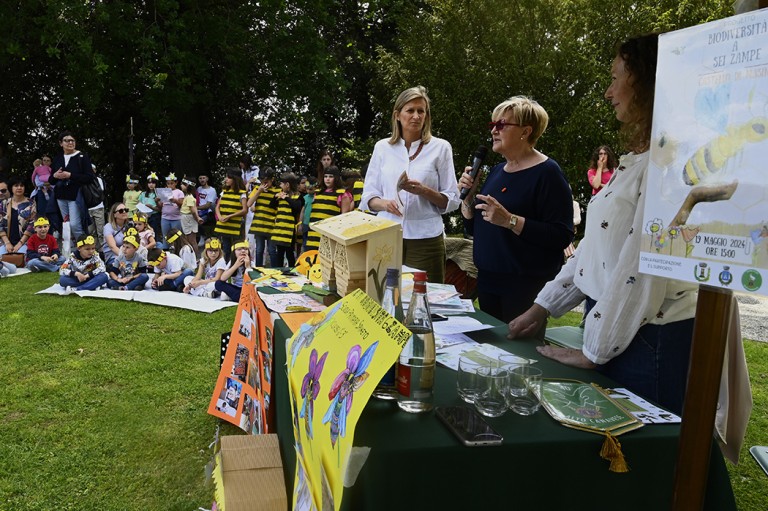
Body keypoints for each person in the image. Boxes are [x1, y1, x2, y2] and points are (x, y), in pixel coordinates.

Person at [508, 34, 698, 415]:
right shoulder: (639, 160)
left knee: (640, 455)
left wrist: (595, 350)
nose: (609, 92)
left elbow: (641, 270)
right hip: (621, 326)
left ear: (647, 83)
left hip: (648, 335)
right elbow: (597, 248)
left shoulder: (669, 166)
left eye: (615, 78)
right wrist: (543, 306)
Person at [459, 96, 573, 324]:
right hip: (489, 280)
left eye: (501, 125)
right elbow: (475, 226)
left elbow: (561, 235)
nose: (493, 131)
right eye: (493, 125)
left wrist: (510, 220)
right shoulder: (498, 170)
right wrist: (467, 199)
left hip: (523, 285)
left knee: (520, 356)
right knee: (491, 353)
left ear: (525, 131)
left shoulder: (548, 173)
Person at [359, 85, 460, 283]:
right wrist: (385, 204)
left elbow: (452, 200)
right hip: (386, 234)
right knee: (384, 293)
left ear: (427, 116)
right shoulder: (382, 148)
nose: (416, 116)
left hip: (426, 238)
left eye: (421, 111)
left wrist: (424, 191)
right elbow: (368, 197)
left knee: (424, 295)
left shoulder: (440, 148)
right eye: (410, 110)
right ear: (397, 115)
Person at [50, 131, 95, 241]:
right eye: (66, 140)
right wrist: (55, 175)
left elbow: (89, 177)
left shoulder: (82, 157)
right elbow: (51, 180)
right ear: (61, 143)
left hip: (76, 196)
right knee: (66, 225)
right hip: (60, 196)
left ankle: (83, 248)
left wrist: (70, 175)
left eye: (72, 140)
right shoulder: (57, 158)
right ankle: (69, 250)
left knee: (75, 225)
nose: (70, 143)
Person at [305, 166, 352, 251]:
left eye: (331, 177)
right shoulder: (317, 193)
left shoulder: (342, 194)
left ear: (336, 178)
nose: (327, 179)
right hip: (313, 234)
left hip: (329, 235)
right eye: (325, 176)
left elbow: (344, 217)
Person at [247, 167, 280, 266]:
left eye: (267, 182)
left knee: (272, 250)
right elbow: (248, 204)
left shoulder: (278, 190)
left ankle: (274, 270)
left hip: (271, 225)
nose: (264, 184)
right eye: (262, 182)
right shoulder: (257, 189)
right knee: (259, 250)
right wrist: (259, 192)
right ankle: (258, 269)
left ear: (272, 180)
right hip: (259, 224)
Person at [214, 168, 247, 260]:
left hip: (235, 225)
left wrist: (230, 216)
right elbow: (217, 207)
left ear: (235, 179)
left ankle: (236, 265)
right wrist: (220, 217)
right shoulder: (224, 191)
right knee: (226, 247)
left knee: (237, 246)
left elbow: (244, 210)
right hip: (224, 224)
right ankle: (225, 266)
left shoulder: (242, 194)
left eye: (229, 178)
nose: (226, 180)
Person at [270, 172, 302, 267]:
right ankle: (279, 271)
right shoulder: (280, 195)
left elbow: (297, 207)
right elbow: (271, 206)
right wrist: (275, 197)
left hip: (289, 231)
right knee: (279, 253)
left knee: (289, 253)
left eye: (281, 183)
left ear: (287, 185)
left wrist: (286, 198)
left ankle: (292, 270)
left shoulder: (297, 196)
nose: (280, 185)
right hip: (279, 229)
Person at [0, 177, 36, 257]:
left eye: (22, 186)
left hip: (24, 242)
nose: (19, 188)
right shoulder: (4, 203)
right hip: (5, 242)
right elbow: (0, 225)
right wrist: (7, 243)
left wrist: (20, 243)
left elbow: (31, 225)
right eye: (16, 186)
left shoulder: (31, 203)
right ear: (11, 188)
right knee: (3, 260)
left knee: (20, 259)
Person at [158, 172, 184, 247]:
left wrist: (175, 200)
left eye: (172, 183)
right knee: (165, 236)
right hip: (165, 217)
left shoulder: (179, 192)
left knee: (176, 236)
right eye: (168, 183)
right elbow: (160, 206)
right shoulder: (164, 191)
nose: (170, 185)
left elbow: (181, 205)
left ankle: (177, 251)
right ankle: (165, 252)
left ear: (176, 183)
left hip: (176, 218)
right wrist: (157, 201)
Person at [179, 178, 203, 254]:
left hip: (188, 218)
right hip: (185, 218)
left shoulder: (189, 197)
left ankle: (195, 257)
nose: (181, 186)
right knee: (187, 238)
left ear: (188, 186)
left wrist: (197, 218)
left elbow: (193, 210)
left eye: (183, 184)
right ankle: (190, 255)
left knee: (192, 240)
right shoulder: (187, 196)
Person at [87, 164, 106, 252]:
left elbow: (101, 191)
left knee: (101, 231)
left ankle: (104, 250)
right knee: (91, 232)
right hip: (88, 209)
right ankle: (93, 250)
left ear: (95, 170)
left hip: (98, 207)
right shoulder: (83, 180)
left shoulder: (98, 180)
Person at [297, 176, 317, 254]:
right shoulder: (305, 198)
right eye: (307, 189)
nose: (308, 191)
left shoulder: (318, 197)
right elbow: (302, 211)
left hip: (314, 224)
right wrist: (300, 224)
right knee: (305, 242)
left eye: (310, 189)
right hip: (305, 223)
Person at [139, 172, 162, 237]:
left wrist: (151, 207)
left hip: (154, 216)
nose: (151, 185)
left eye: (153, 183)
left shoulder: (159, 194)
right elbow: (139, 204)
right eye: (149, 183)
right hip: (144, 217)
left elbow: (160, 209)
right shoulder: (143, 194)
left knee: (154, 234)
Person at [196, 172, 218, 239]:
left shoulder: (212, 190)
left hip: (208, 212)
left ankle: (203, 236)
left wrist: (196, 208)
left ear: (207, 179)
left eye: (203, 178)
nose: (202, 180)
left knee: (198, 221)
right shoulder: (198, 189)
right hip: (198, 211)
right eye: (200, 178)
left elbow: (208, 205)